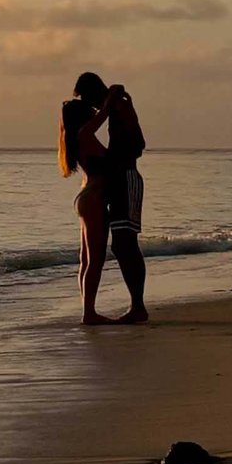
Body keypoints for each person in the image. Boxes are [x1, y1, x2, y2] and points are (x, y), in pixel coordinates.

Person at [60, 79, 111, 324]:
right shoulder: (85, 135)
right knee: (96, 258)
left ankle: (87, 309)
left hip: (85, 195)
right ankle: (89, 312)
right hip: (93, 197)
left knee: (85, 259)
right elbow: (100, 119)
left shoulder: (74, 140)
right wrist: (109, 105)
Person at [98, 76, 149, 323]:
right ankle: (137, 305)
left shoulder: (121, 113)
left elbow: (138, 144)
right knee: (122, 245)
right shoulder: (119, 115)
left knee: (125, 243)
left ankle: (138, 305)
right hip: (122, 181)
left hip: (126, 180)